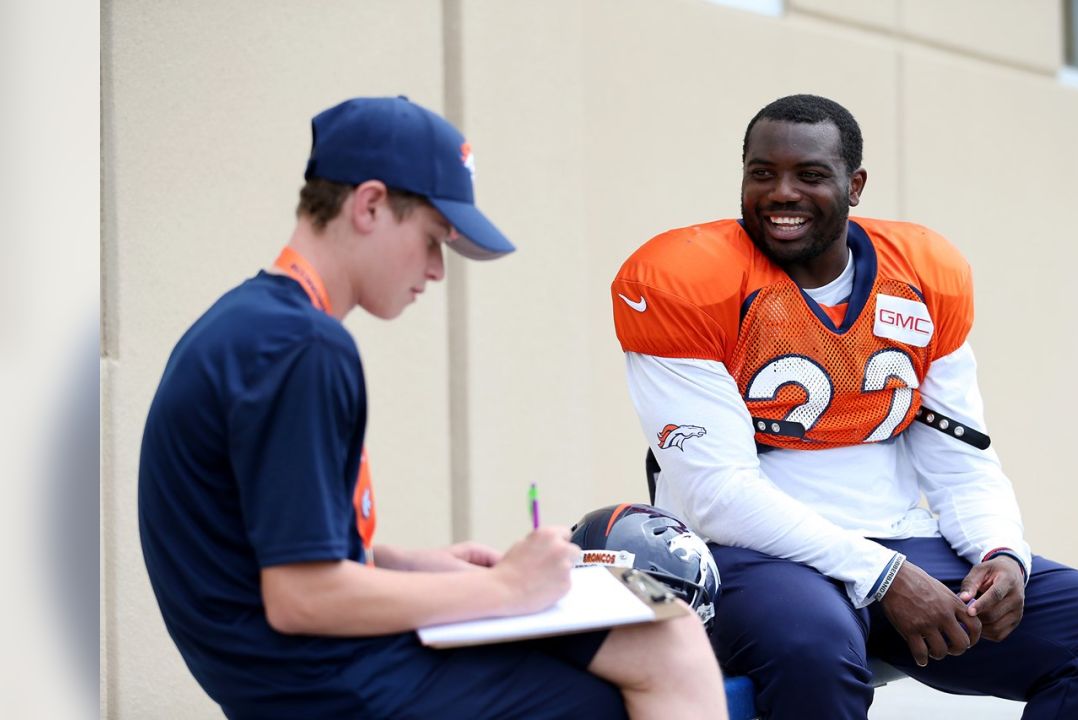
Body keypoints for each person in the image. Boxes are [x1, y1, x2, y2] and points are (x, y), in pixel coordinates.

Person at [138, 95, 727, 720]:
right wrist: (502, 588)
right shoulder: (302, 347)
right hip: (320, 678)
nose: (436, 271)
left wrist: (402, 564)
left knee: (668, 639)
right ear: (368, 206)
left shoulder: (252, 324)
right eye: (431, 239)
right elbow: (299, 598)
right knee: (633, 672)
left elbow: (269, 549)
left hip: (291, 665)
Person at [611, 94, 1078, 719]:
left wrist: (1001, 551)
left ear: (856, 185)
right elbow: (718, 495)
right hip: (752, 554)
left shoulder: (922, 278)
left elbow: (960, 462)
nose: (781, 193)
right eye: (761, 173)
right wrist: (885, 576)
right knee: (813, 650)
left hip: (897, 540)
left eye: (810, 175)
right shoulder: (685, 282)